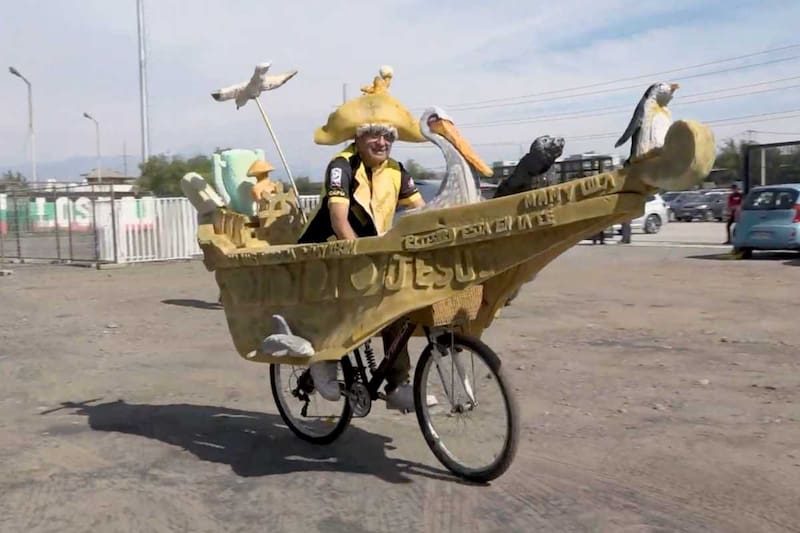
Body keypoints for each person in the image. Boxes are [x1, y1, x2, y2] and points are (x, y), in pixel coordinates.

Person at [297, 122, 425, 412]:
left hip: (370, 250)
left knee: (397, 304)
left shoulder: (396, 170)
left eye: (388, 136)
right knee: (340, 308)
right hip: (325, 248)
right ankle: (323, 359)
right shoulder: (342, 165)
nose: (382, 142)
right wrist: (362, 258)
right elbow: (339, 220)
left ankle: (397, 385)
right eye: (374, 135)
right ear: (358, 136)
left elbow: (422, 211)